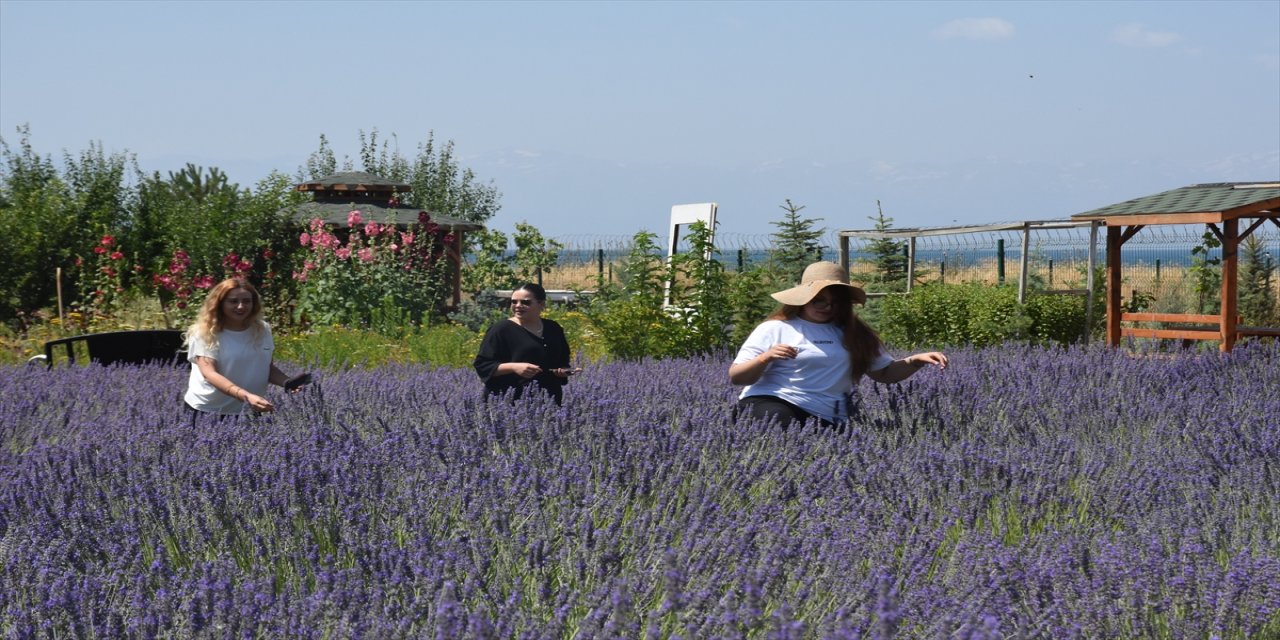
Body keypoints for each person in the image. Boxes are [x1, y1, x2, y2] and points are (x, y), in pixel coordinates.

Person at [729, 261, 947, 429]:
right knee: (779, 422)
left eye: (835, 302)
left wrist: (915, 361)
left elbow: (884, 373)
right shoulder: (775, 328)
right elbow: (737, 377)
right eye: (819, 300)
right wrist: (765, 358)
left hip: (828, 416)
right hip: (773, 402)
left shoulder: (854, 333)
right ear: (804, 298)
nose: (827, 307)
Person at [183, 278, 305, 418]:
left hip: (249, 408)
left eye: (246, 301)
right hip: (208, 410)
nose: (241, 306)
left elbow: (265, 367)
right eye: (233, 301)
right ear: (220, 303)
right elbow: (210, 374)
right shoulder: (205, 332)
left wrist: (287, 382)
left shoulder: (262, 329)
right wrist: (246, 396)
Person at [474, 283, 574, 404]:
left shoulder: (553, 328)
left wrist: (563, 370)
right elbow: (483, 365)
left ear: (541, 304)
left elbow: (562, 358)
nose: (518, 306)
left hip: (548, 399)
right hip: (509, 402)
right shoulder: (501, 330)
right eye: (514, 302)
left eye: (525, 302)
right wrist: (514, 367)